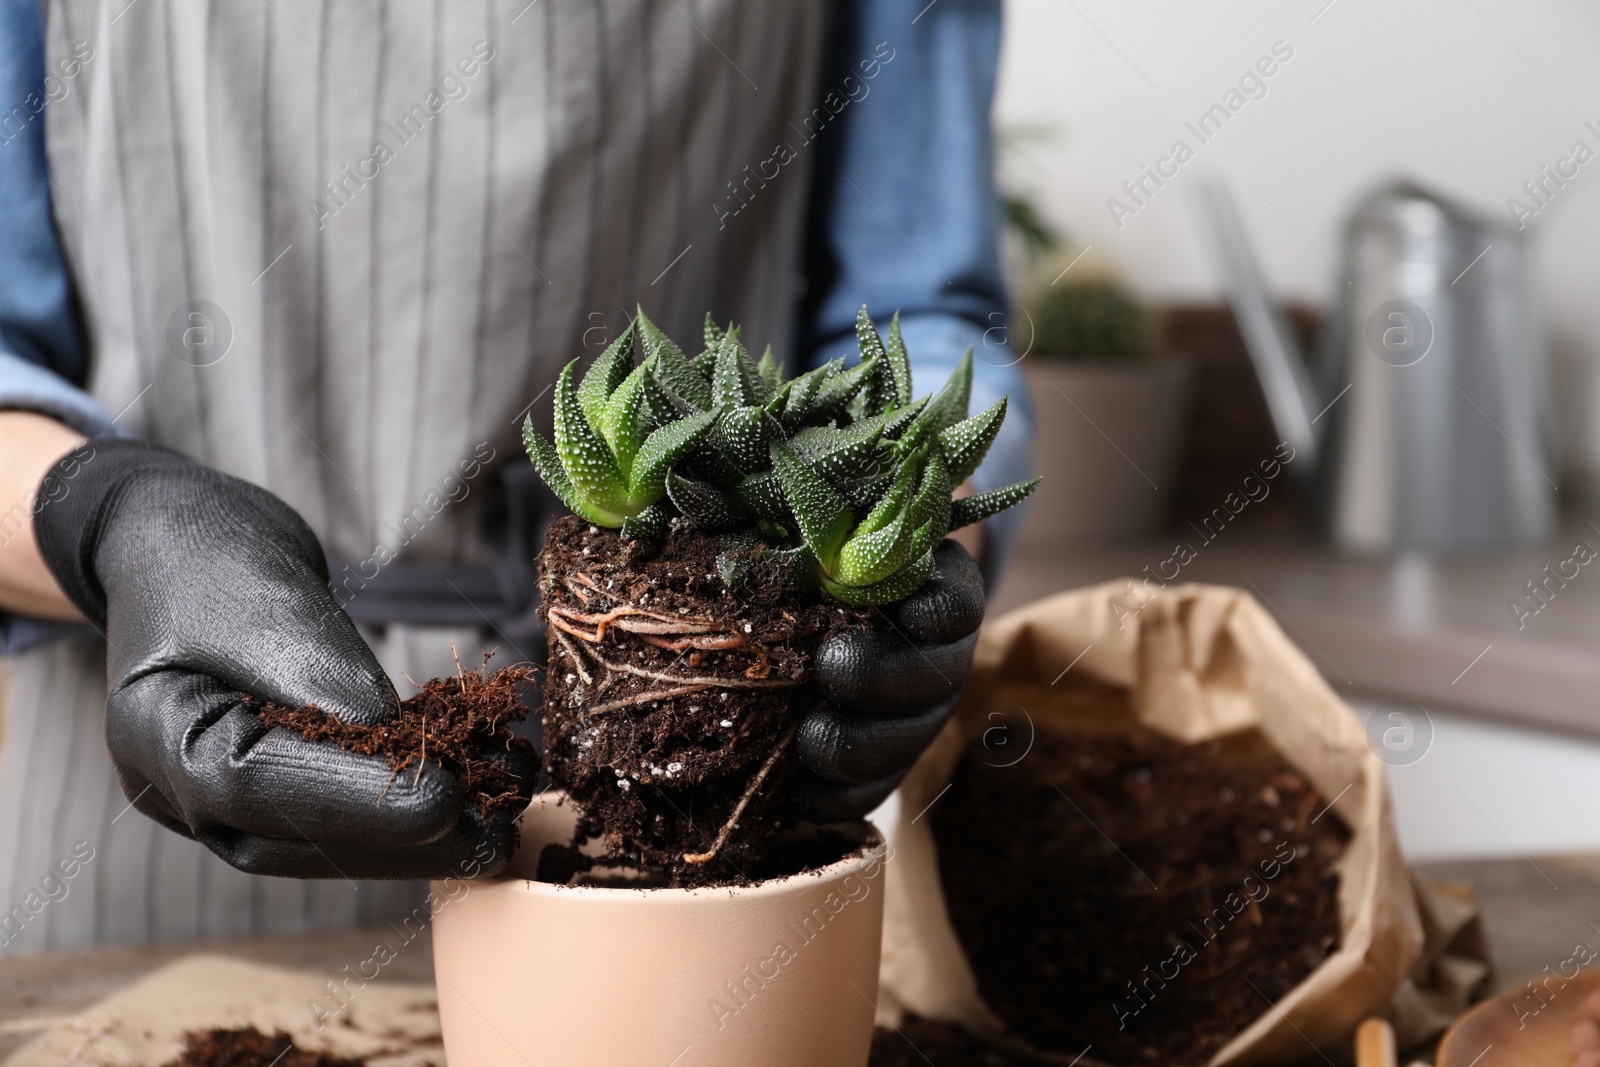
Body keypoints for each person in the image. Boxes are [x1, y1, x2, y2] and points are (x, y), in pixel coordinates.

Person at [0, 0, 1032, 953]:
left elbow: (916, 316)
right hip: (153, 814)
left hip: (699, 767)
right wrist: (112, 522)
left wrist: (908, 540)